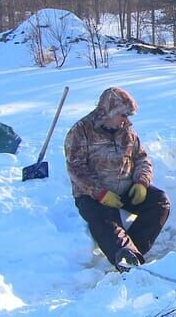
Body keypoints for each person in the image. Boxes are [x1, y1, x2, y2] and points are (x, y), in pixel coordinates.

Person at [64, 87, 170, 272]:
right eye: (122, 115)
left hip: (125, 188)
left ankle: (132, 253)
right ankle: (125, 257)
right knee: (105, 220)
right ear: (108, 112)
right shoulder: (81, 131)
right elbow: (75, 168)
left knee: (160, 203)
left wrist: (141, 183)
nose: (126, 120)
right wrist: (99, 192)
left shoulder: (126, 130)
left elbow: (141, 158)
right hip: (94, 195)